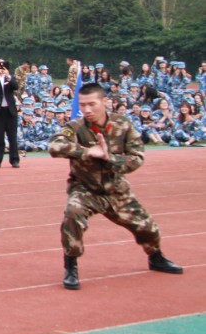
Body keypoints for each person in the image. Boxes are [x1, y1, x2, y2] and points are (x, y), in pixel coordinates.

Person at [48, 82, 183, 289]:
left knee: (148, 228)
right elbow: (55, 146)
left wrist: (109, 158)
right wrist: (87, 152)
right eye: (83, 105)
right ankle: (71, 266)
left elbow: (136, 158)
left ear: (104, 102)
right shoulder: (75, 128)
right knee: (72, 214)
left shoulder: (123, 125)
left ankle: (156, 257)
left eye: (92, 104)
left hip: (117, 190)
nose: (87, 110)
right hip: (86, 189)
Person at [0, 59, 21, 168]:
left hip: (10, 112)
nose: (0, 67)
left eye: (3, 65)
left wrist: (8, 76)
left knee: (12, 137)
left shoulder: (11, 77)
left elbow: (16, 86)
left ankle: (14, 160)